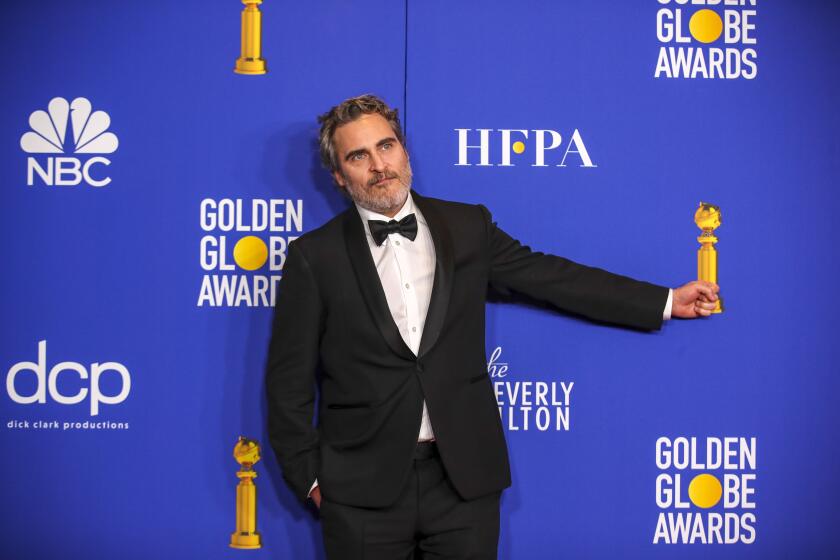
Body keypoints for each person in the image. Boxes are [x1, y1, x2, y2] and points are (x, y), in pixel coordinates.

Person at [265, 94, 719, 559]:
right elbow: (288, 383)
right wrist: (313, 480)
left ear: (404, 150)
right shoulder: (313, 258)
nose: (379, 165)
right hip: (360, 491)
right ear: (339, 176)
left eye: (386, 146)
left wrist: (662, 300)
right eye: (358, 156)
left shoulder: (466, 226)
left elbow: (553, 278)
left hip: (464, 484)